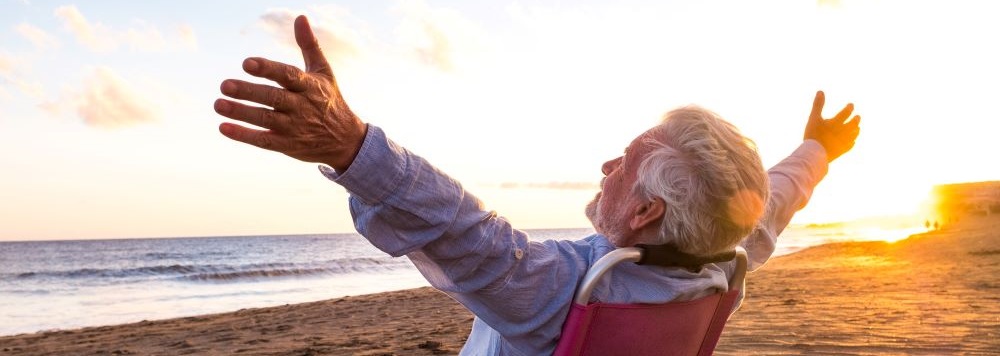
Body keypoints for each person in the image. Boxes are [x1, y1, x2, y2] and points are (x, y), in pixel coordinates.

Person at [214, 15, 861, 355]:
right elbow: (775, 199)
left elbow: (468, 235)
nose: (608, 164)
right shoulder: (724, 258)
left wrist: (352, 147)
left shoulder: (576, 294)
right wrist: (818, 149)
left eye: (627, 160)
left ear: (643, 210)